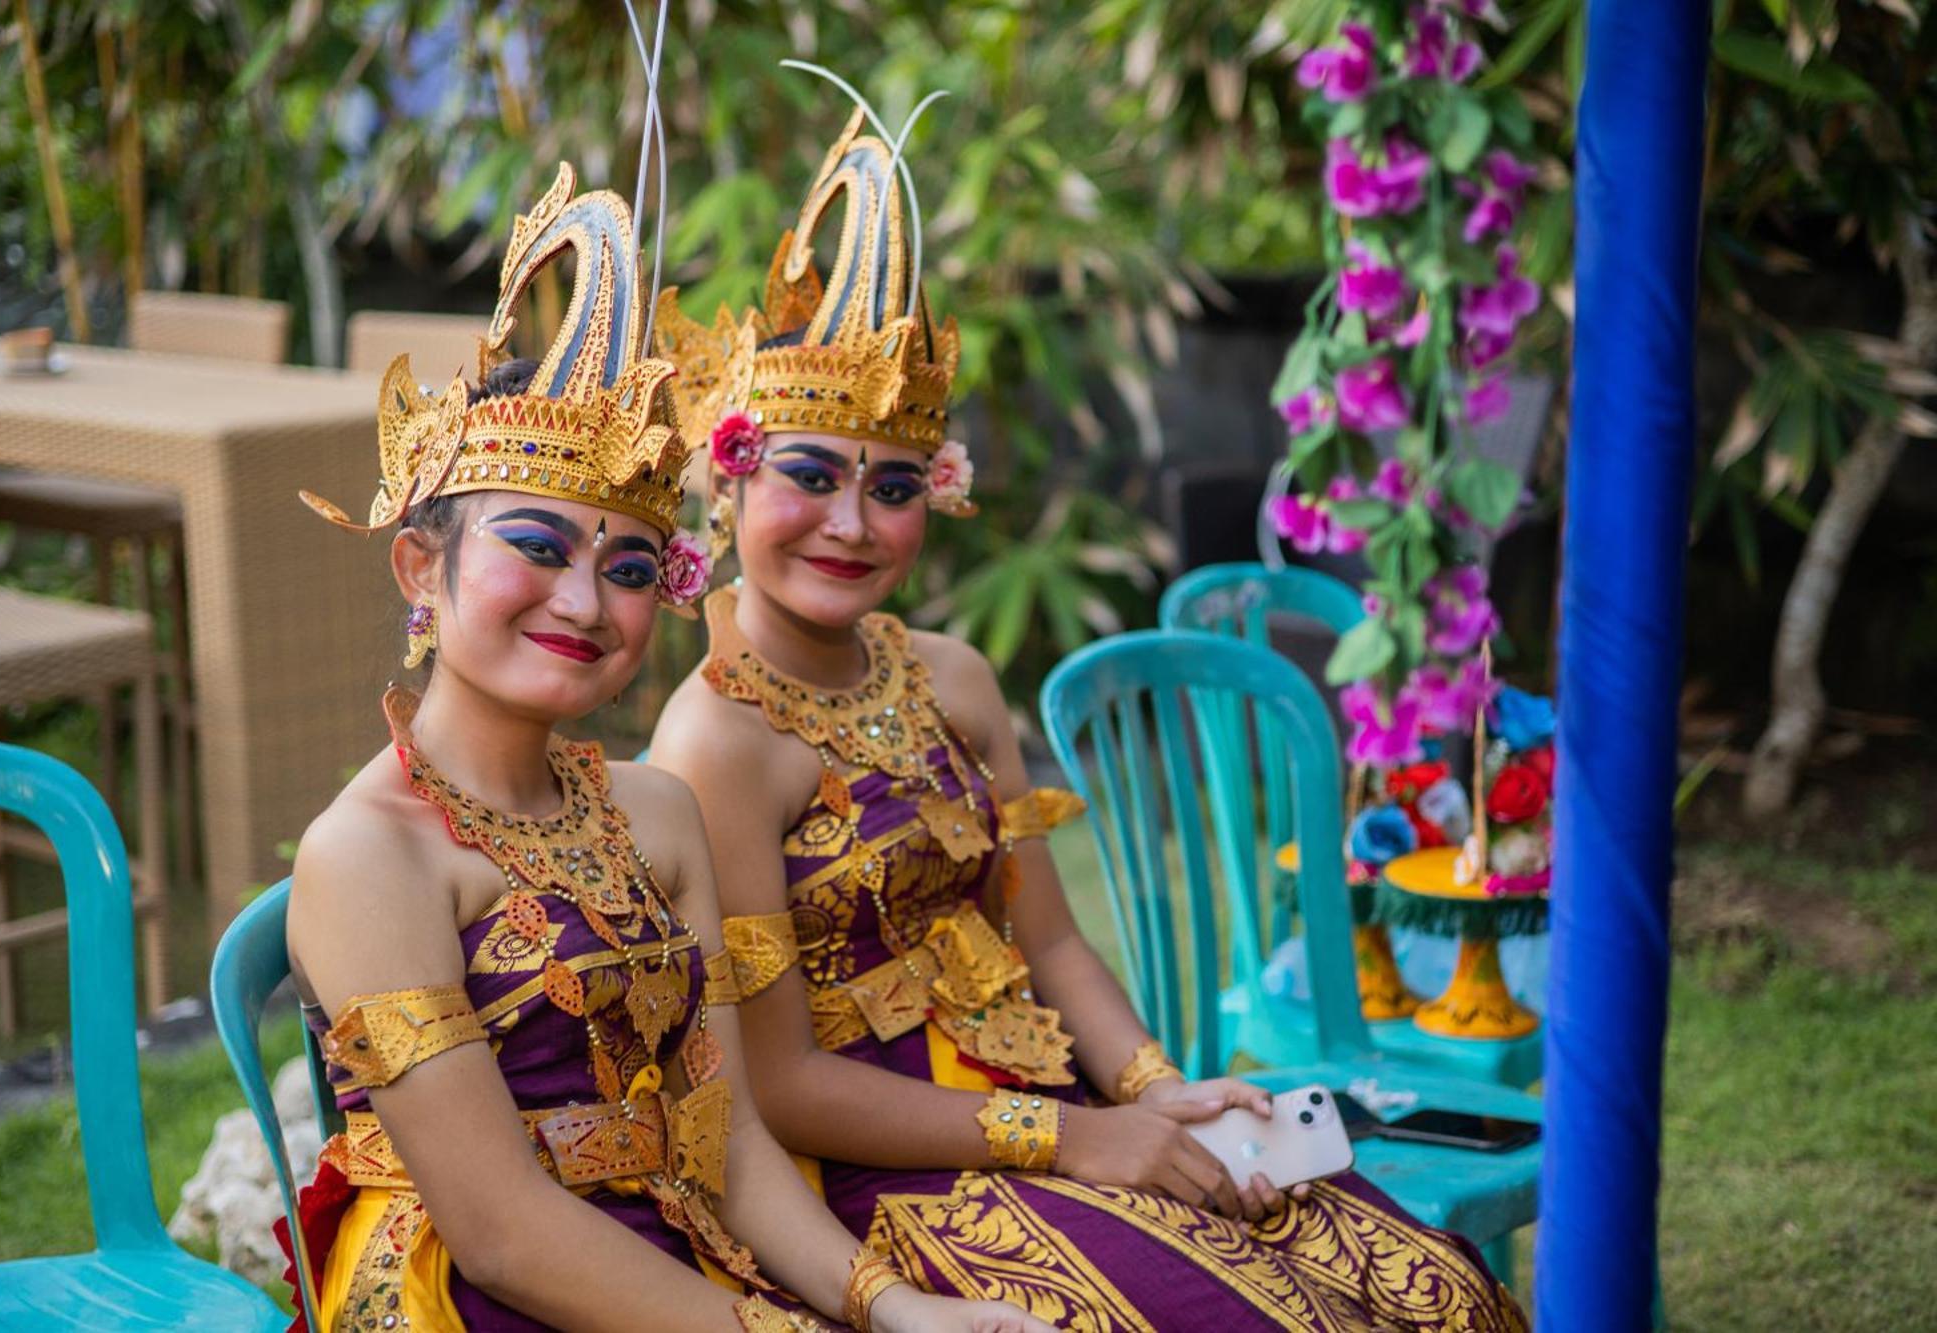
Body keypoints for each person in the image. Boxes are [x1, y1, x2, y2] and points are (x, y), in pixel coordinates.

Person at [649, 75, 1530, 1331]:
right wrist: (1069, 1137)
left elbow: (1049, 942)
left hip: (1065, 1110)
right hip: (895, 1178)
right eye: (807, 475)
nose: (850, 522)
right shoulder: (714, 739)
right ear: (724, 478)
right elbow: (781, 1082)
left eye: (893, 485)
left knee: (1436, 1287)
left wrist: (1159, 1089)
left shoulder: (946, 673)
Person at [282, 150, 1050, 1333]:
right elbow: (498, 1229)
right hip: (473, 1291)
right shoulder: (365, 855)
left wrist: (892, 1307)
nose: (586, 605)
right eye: (536, 546)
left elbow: (732, 1136)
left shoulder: (653, 810)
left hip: (683, 1245)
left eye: (629, 567)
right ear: (419, 565)